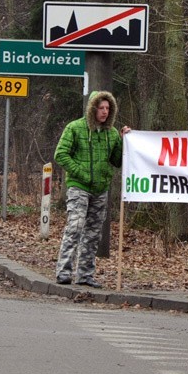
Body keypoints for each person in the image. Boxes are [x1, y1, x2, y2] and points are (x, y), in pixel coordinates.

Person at [54, 91, 131, 288]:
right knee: (75, 226)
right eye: (101, 108)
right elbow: (61, 154)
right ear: (93, 108)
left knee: (93, 233)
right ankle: (64, 271)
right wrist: (81, 173)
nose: (105, 112)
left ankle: (85, 275)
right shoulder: (75, 128)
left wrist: (124, 142)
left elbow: (117, 161)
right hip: (79, 186)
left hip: (100, 189)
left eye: (108, 108)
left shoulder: (111, 133)